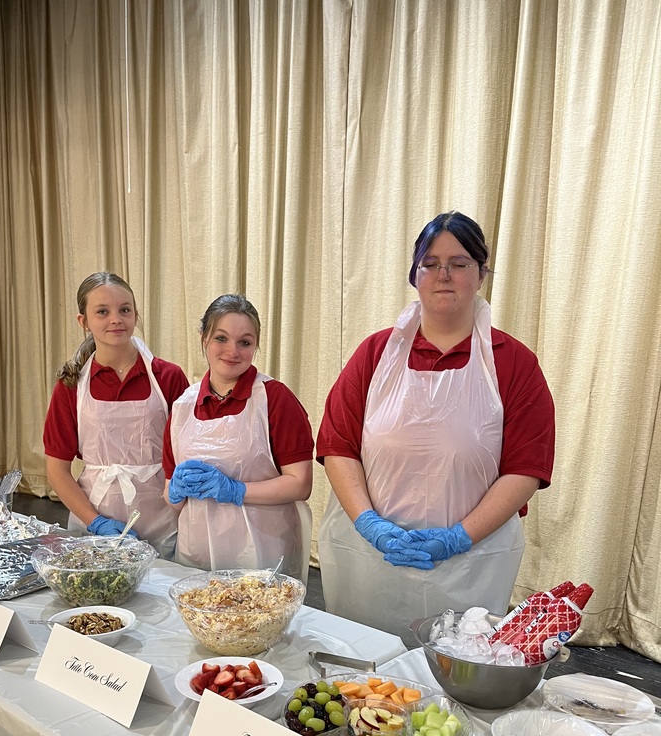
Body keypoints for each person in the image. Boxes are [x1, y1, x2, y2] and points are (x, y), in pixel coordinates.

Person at [316, 211, 555, 639]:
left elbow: (526, 468)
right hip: (372, 561)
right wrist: (371, 524)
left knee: (456, 678)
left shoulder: (514, 363)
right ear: (415, 275)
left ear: (481, 273)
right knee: (364, 682)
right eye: (431, 263)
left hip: (470, 566)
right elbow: (338, 445)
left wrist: (459, 537)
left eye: (459, 263)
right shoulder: (374, 355)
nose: (443, 274)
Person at [163, 293, 313, 581]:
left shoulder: (274, 398)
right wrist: (175, 491)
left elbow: (300, 483)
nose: (232, 351)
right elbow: (170, 495)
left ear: (255, 347)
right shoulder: (183, 406)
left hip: (261, 551)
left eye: (244, 342)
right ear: (203, 339)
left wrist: (235, 490)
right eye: (221, 338)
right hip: (197, 552)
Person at [43, 271, 189, 559]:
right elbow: (57, 470)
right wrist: (96, 522)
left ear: (135, 314)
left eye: (124, 310)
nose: (116, 319)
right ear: (83, 321)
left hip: (162, 520)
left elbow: (187, 451)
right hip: (94, 520)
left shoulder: (167, 377)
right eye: (102, 312)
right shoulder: (71, 386)